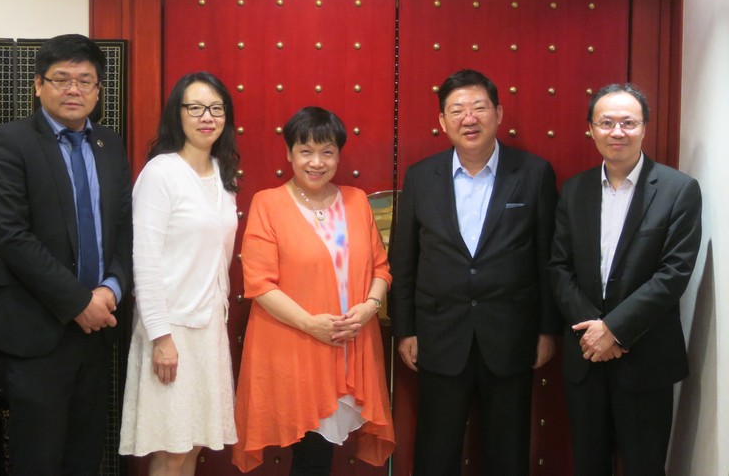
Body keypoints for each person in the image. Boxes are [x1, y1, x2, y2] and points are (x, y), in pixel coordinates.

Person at [0, 34, 132, 476]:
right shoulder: (10, 142)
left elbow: (123, 228)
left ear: (99, 91)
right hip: (34, 332)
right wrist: (79, 302)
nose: (73, 89)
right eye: (61, 79)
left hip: (98, 330)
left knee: (85, 456)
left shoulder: (109, 144)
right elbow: (11, 236)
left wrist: (110, 288)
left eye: (85, 80)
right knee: (38, 460)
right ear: (38, 85)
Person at [389, 69, 559, 475]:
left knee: (507, 452)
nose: (470, 118)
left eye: (479, 107)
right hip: (439, 336)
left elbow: (549, 258)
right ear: (442, 122)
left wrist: (547, 330)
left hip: (511, 336)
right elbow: (405, 259)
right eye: (457, 110)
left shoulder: (534, 173)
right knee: (436, 450)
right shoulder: (420, 177)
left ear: (498, 113)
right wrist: (405, 328)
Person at [548, 84, 702, 476]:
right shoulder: (575, 189)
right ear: (592, 129)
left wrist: (614, 329)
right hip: (585, 355)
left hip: (647, 357)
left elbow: (674, 273)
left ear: (644, 128)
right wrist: (593, 332)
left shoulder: (678, 190)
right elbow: (559, 267)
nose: (618, 132)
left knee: (644, 467)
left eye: (628, 122)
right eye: (607, 122)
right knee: (588, 465)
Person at [233, 107, 395, 474]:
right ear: (289, 153)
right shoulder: (268, 203)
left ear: (339, 154)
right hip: (297, 345)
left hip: (351, 344)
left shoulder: (356, 201)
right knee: (311, 451)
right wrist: (311, 324)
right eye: (306, 151)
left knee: (322, 452)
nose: (316, 162)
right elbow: (260, 284)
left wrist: (370, 307)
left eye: (327, 152)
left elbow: (381, 269)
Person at [118, 72, 240, 474]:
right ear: (179, 113)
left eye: (216, 108)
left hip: (207, 327)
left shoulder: (224, 175)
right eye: (196, 107)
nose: (207, 117)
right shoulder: (161, 173)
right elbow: (145, 260)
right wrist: (161, 337)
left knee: (192, 445)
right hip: (171, 328)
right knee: (169, 449)